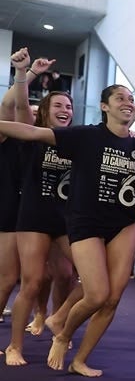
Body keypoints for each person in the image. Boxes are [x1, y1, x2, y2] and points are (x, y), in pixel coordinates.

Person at [0, 84, 135, 376]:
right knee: (54, 286)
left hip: (118, 223)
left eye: (130, 99)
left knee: (103, 292)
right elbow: (30, 129)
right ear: (103, 106)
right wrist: (25, 75)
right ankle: (23, 342)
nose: (127, 102)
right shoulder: (84, 136)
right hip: (68, 220)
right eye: (119, 98)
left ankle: (76, 351)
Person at [3, 53, 76, 365]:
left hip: (64, 219)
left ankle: (59, 323)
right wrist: (23, 72)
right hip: (33, 217)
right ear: (45, 111)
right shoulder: (33, 136)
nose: (65, 110)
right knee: (31, 282)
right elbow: (20, 108)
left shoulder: (76, 140)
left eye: (69, 107)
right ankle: (14, 346)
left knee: (76, 274)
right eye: (58, 105)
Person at [0, 50, 55, 341]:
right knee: (9, 277)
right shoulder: (11, 136)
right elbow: (14, 103)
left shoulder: (45, 139)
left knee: (47, 274)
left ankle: (43, 314)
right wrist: (26, 72)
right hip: (11, 210)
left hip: (41, 210)